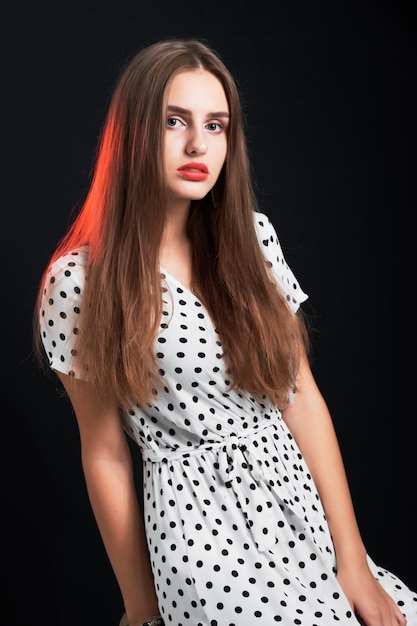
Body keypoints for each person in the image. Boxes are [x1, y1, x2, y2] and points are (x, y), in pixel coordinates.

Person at [33, 38, 417, 626]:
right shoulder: (79, 281)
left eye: (216, 125)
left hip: (298, 510)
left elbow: (302, 400)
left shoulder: (253, 240)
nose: (198, 145)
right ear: (134, 132)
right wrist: (141, 608)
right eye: (174, 121)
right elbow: (105, 454)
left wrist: (356, 563)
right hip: (199, 537)